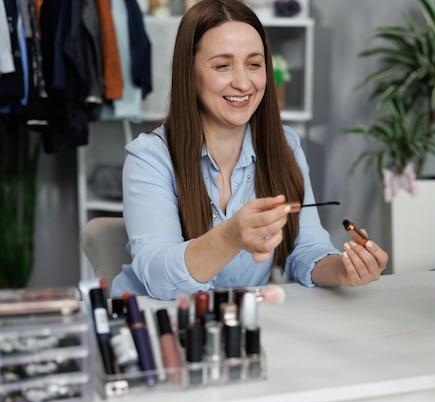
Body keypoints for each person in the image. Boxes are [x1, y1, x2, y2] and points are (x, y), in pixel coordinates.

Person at [110, 0, 388, 300]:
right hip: (153, 322)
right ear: (188, 71)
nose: (243, 83)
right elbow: (158, 277)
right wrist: (230, 237)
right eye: (222, 65)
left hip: (236, 323)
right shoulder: (150, 157)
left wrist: (343, 270)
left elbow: (306, 249)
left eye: (254, 64)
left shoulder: (285, 145)